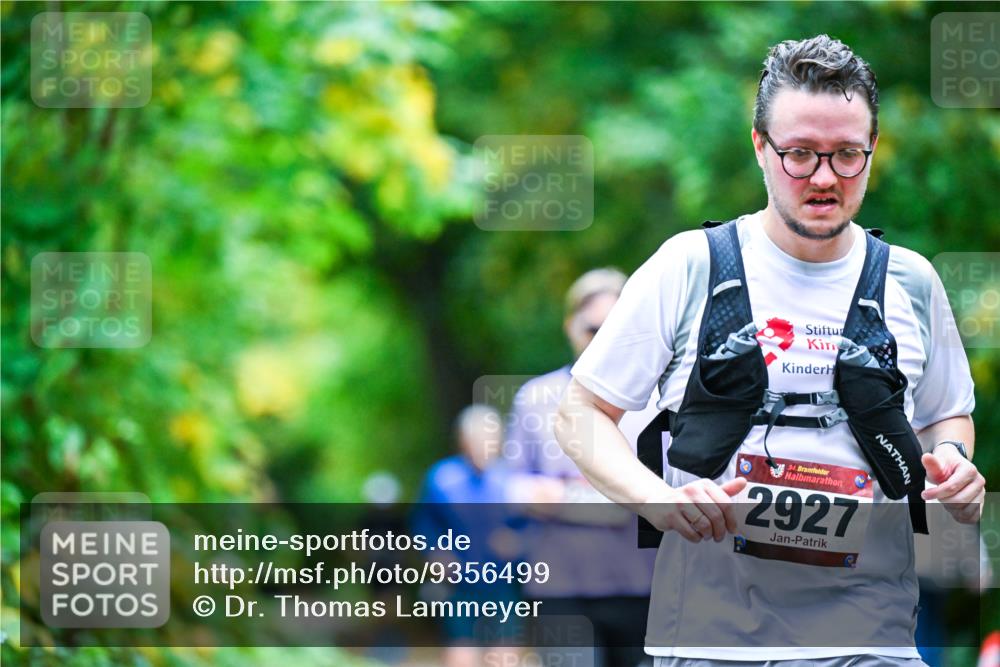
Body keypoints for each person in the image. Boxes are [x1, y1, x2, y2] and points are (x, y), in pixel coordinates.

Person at [554, 34, 985, 666]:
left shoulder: (911, 281)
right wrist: (660, 500)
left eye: (846, 156)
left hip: (872, 638)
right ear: (760, 147)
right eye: (800, 155)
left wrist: (952, 461)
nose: (823, 177)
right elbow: (579, 415)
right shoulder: (690, 266)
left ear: (872, 150)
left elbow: (948, 414)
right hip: (711, 641)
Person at [505, 268, 658, 667]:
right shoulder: (535, 397)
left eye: (613, 328)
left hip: (642, 585)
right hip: (560, 584)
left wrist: (571, 498)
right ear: (570, 326)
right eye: (592, 329)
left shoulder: (660, 399)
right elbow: (513, 486)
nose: (601, 340)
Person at [413, 405, 521, 667]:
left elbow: (531, 525)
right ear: (463, 440)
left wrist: (519, 542)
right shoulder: (441, 479)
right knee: (461, 652)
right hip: (458, 583)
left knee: (505, 653)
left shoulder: (511, 479)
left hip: (502, 580)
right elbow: (422, 525)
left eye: (491, 438)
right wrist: (435, 553)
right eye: (478, 438)